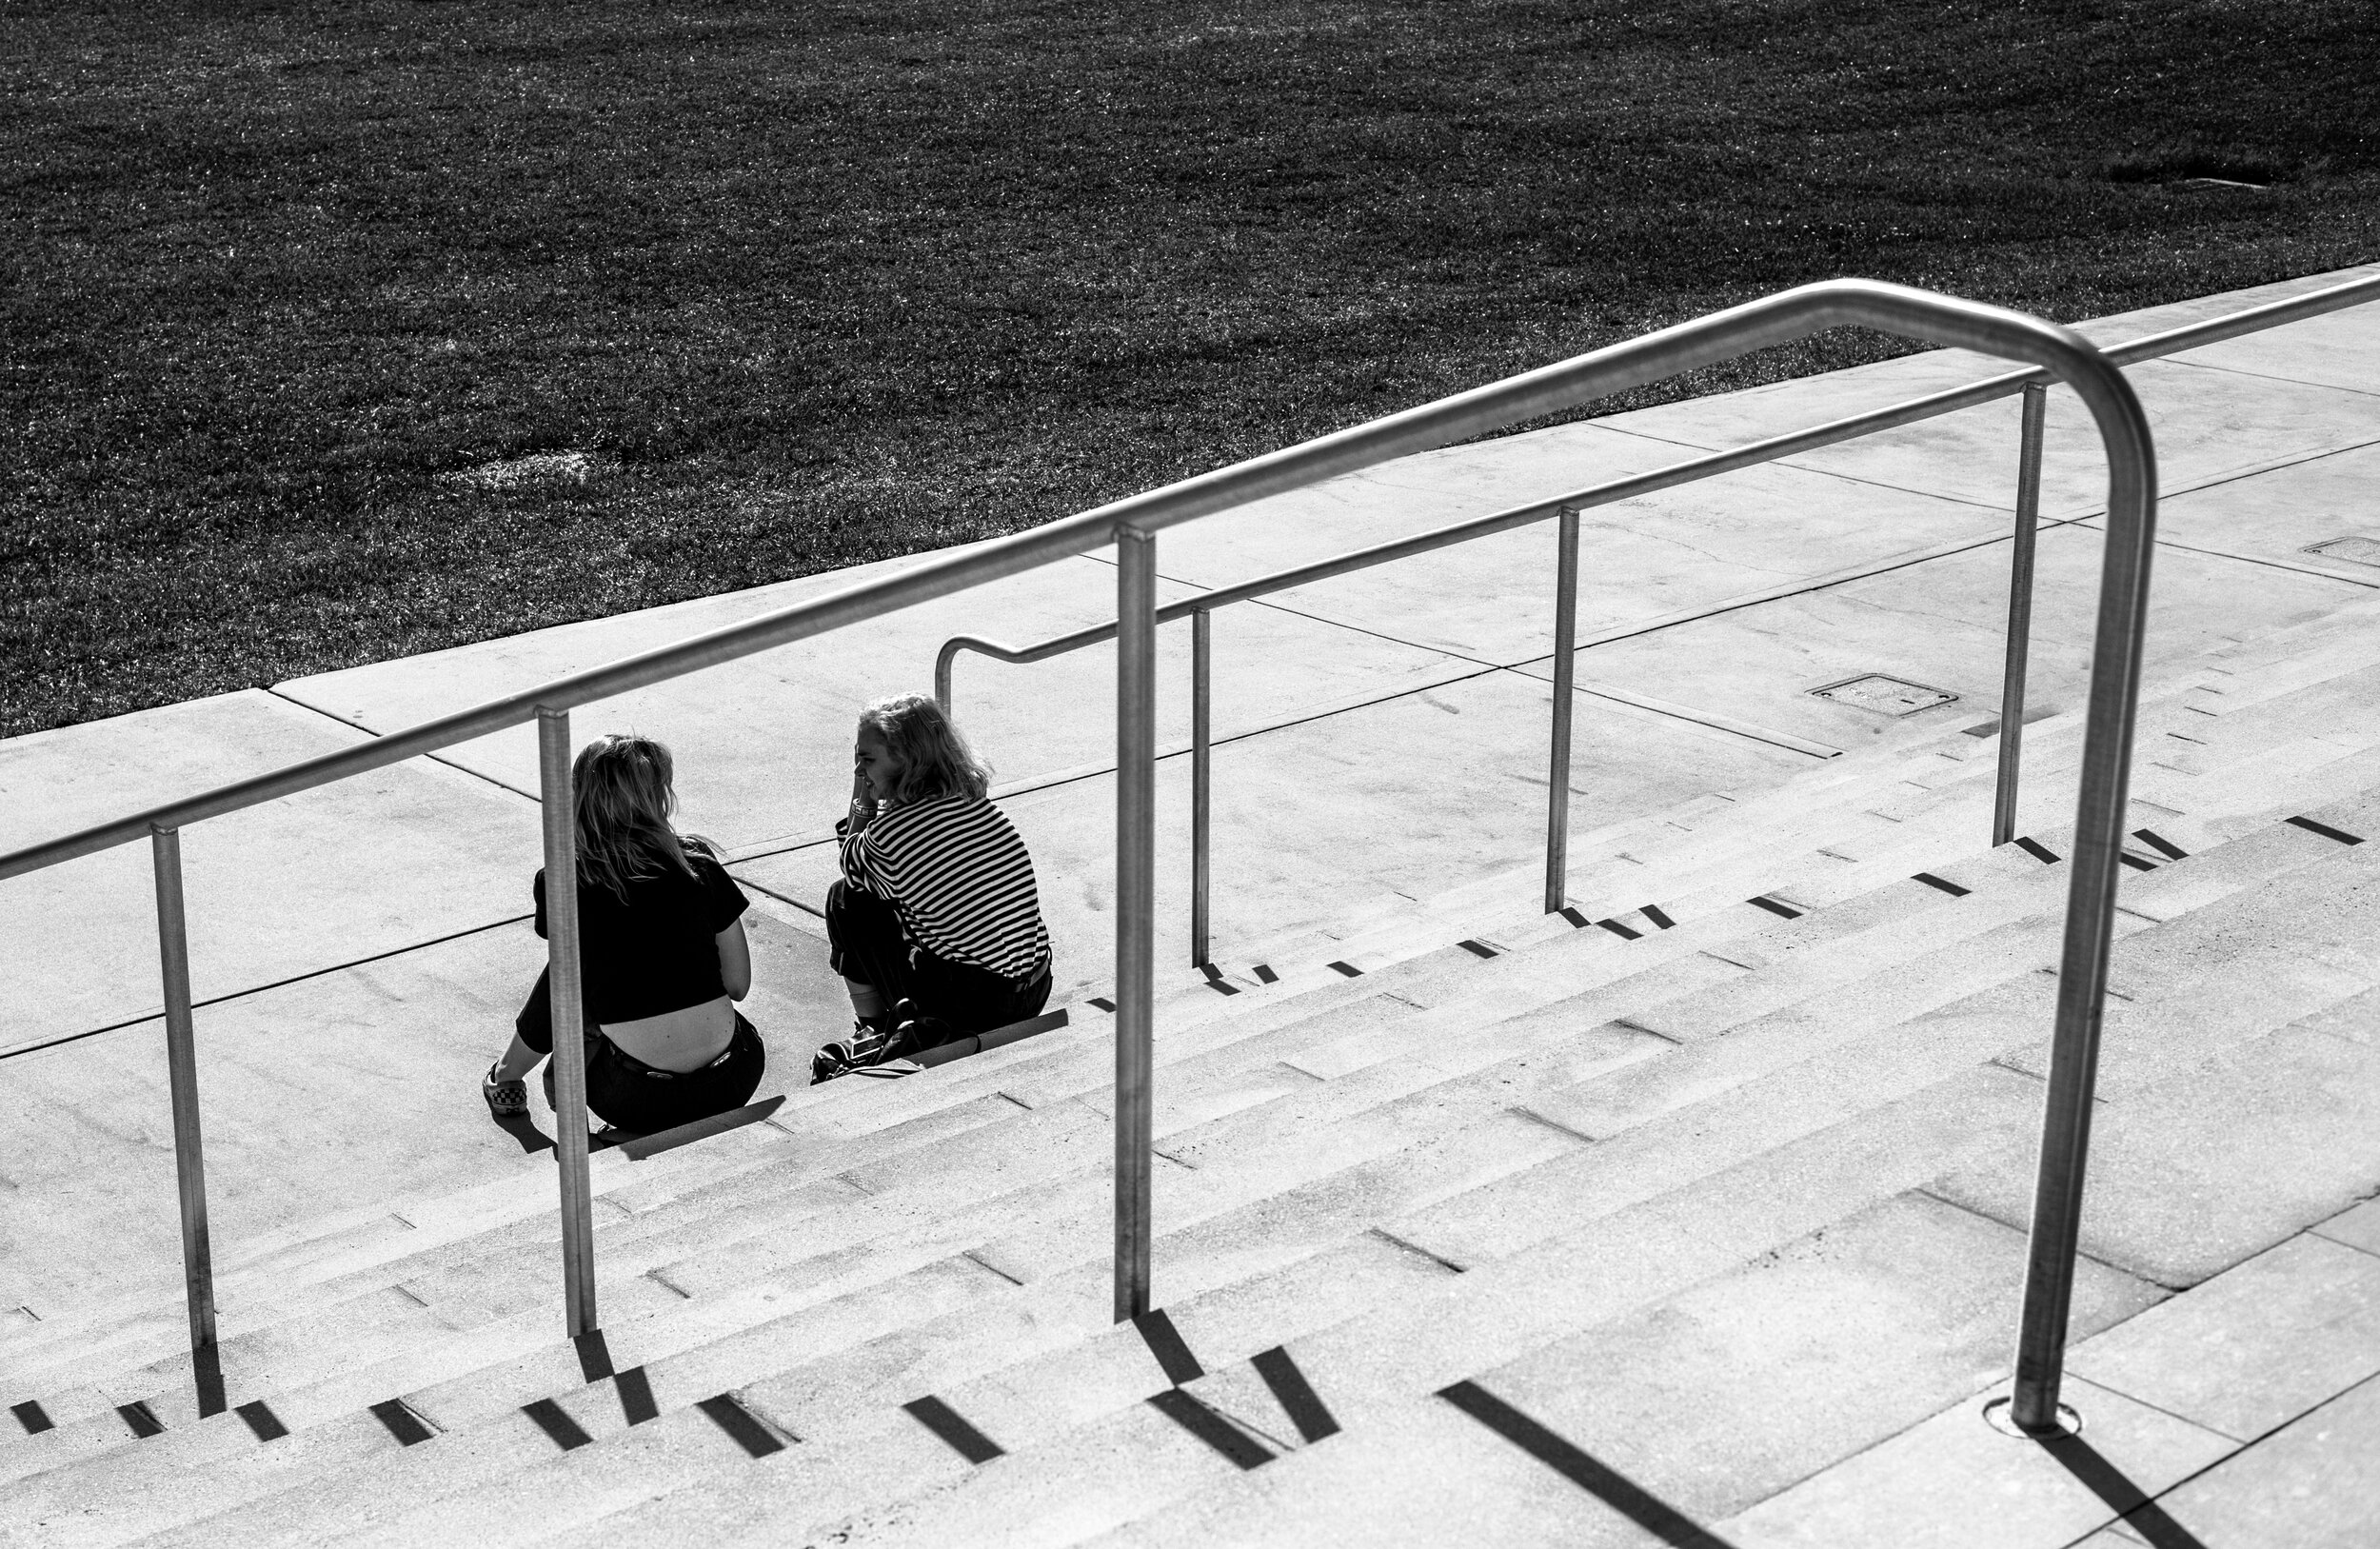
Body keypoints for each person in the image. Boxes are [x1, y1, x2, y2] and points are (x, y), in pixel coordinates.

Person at [482, 734, 766, 1132]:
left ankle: (508, 1075)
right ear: (657, 797)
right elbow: (737, 985)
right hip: (734, 1079)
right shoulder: (698, 866)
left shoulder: (565, 880)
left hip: (635, 1098)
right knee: (586, 967)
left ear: (579, 799)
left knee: (566, 972)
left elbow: (567, 991)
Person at [814, 694, 1052, 1082]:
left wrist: (865, 799)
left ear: (907, 759)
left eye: (868, 759)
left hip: (976, 1007)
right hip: (1034, 986)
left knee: (846, 900)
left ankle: (873, 1027)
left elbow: (852, 864)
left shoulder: (894, 834)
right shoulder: (975, 803)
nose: (859, 769)